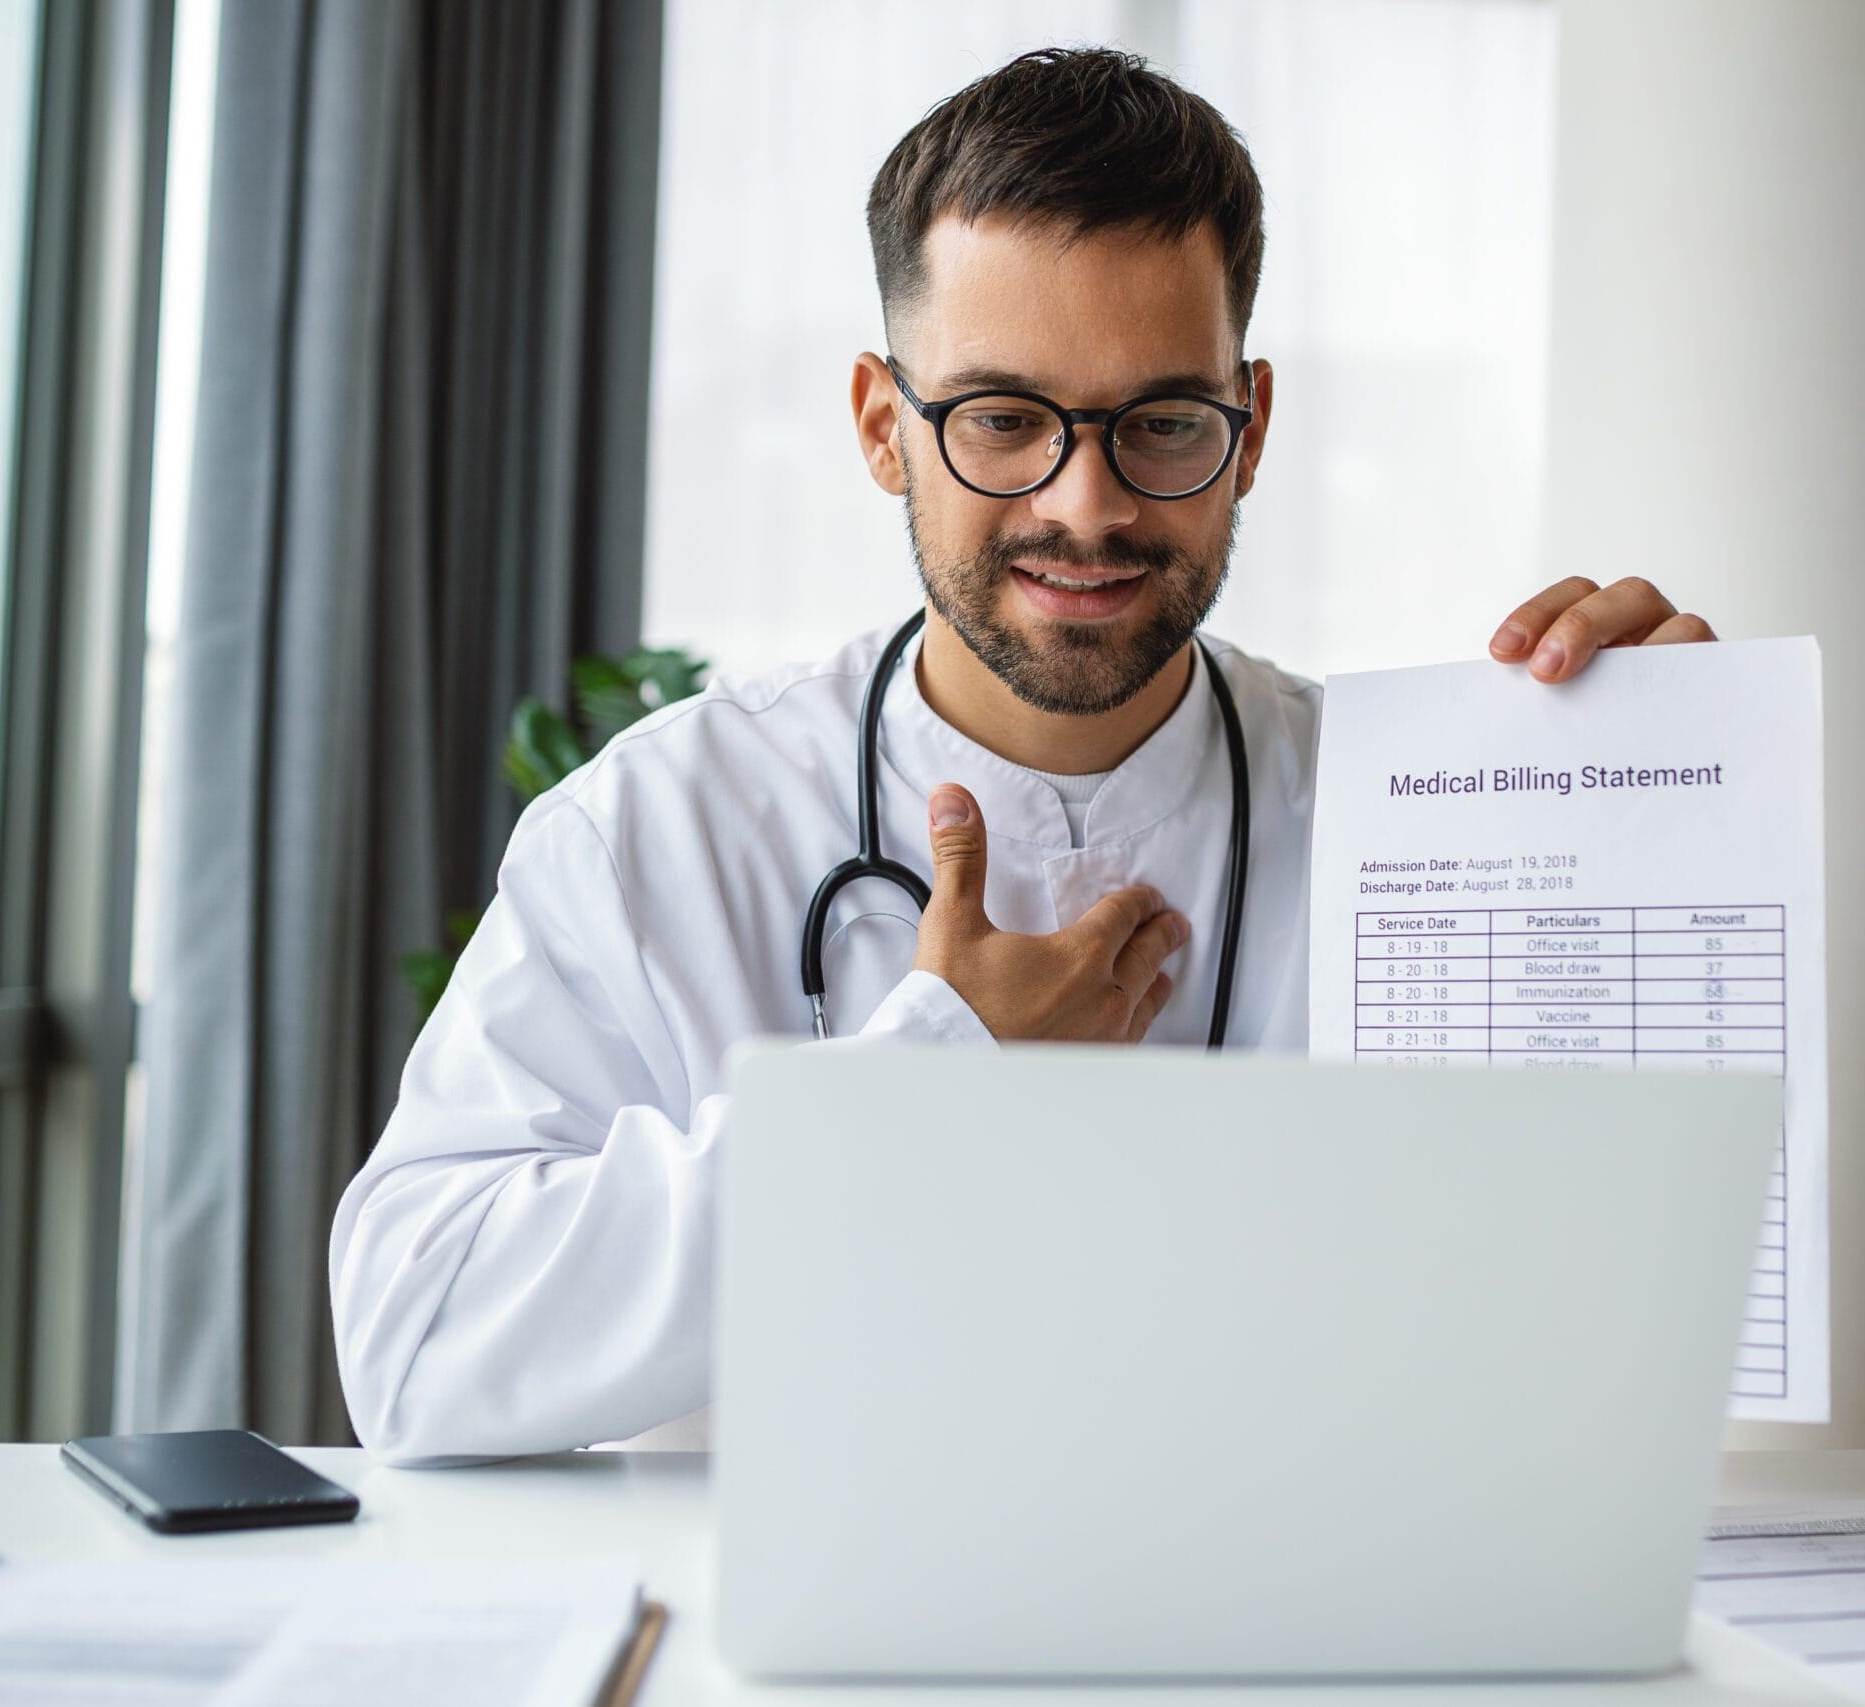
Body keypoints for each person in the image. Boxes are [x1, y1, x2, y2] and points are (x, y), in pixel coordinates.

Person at [329, 46, 1715, 1464]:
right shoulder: (659, 830)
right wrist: (930, 1086)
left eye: (1164, 422)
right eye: (1003, 419)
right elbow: (417, 1349)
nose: (1089, 504)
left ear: (1250, 433)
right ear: (885, 427)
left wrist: (1656, 821)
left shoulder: (1418, 822)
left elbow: (1616, 1299)